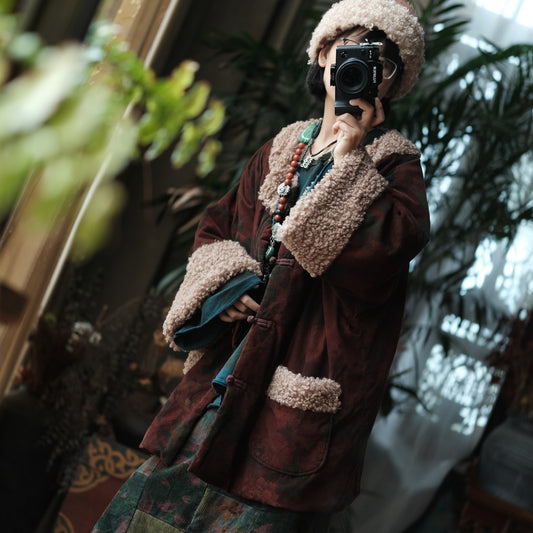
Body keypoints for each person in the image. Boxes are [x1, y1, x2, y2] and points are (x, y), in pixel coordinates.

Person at [93, 0, 429, 531]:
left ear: (392, 82)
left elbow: (385, 255)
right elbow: (218, 226)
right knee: (148, 515)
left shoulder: (393, 166)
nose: (364, 68)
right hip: (223, 374)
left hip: (295, 388)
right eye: (353, 50)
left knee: (253, 513)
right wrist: (225, 288)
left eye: (382, 63)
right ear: (324, 53)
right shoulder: (283, 147)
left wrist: (351, 162)